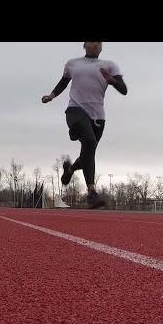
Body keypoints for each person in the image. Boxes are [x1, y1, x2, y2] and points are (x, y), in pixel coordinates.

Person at [42, 42, 128, 208]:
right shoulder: (73, 64)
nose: (95, 45)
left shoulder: (109, 65)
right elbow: (63, 82)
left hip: (97, 117)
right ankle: (92, 193)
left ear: (101, 47)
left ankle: (70, 171)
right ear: (85, 45)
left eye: (99, 43)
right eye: (92, 42)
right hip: (75, 110)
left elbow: (124, 90)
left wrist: (112, 80)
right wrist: (51, 96)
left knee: (87, 154)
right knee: (89, 142)